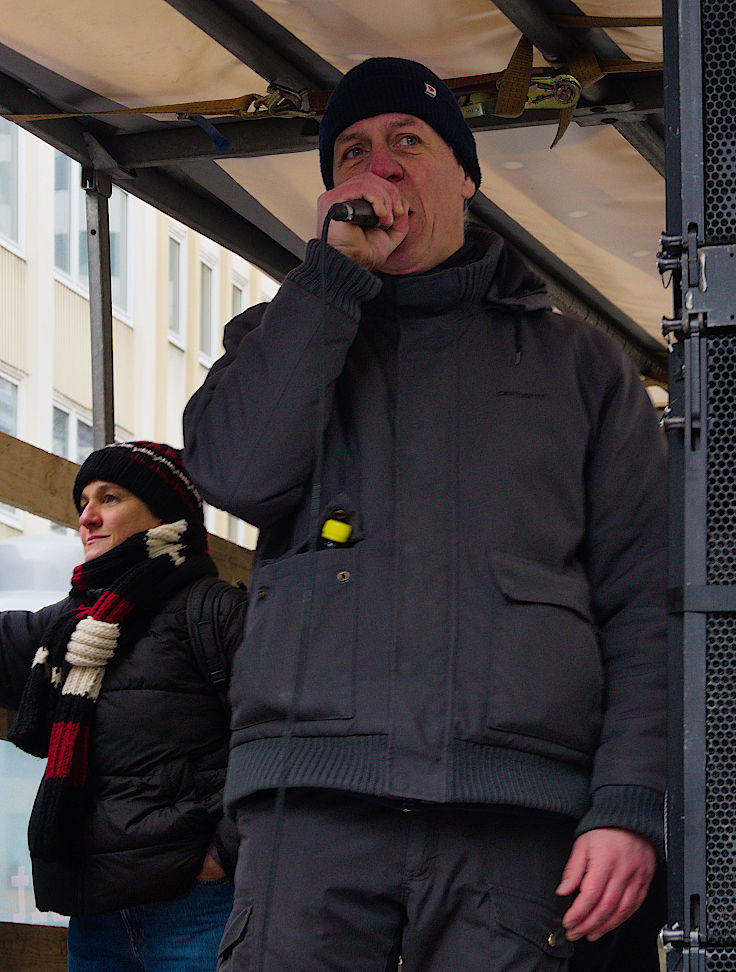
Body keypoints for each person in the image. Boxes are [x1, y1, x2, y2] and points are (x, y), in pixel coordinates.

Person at [182, 56, 667, 972]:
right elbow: (235, 475)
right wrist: (329, 281)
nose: (382, 165)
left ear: (467, 179)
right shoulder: (279, 334)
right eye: (355, 151)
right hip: (308, 808)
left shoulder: (580, 365)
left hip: (513, 819)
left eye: (409, 140)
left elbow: (645, 602)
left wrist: (629, 802)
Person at [0, 441, 248, 971]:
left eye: (108, 498)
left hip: (196, 906)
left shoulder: (214, 611)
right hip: (95, 911)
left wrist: (222, 856)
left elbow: (276, 733)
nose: (87, 517)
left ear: (165, 512)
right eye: (82, 503)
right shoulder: (75, 621)